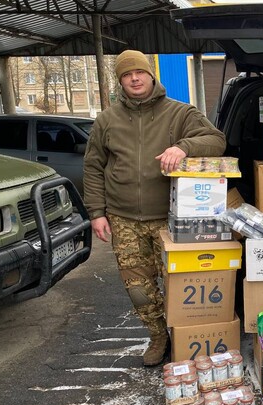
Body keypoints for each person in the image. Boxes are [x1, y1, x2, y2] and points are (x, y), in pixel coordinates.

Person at [83, 50, 226, 367]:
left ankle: (187, 339)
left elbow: (216, 140)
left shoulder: (179, 113)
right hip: (123, 220)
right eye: (126, 74)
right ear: (120, 81)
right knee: (138, 289)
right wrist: (96, 213)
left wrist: (183, 147)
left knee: (180, 287)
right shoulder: (107, 120)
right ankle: (159, 336)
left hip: (169, 222)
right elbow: (93, 168)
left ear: (151, 75)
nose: (134, 78)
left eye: (139, 72)